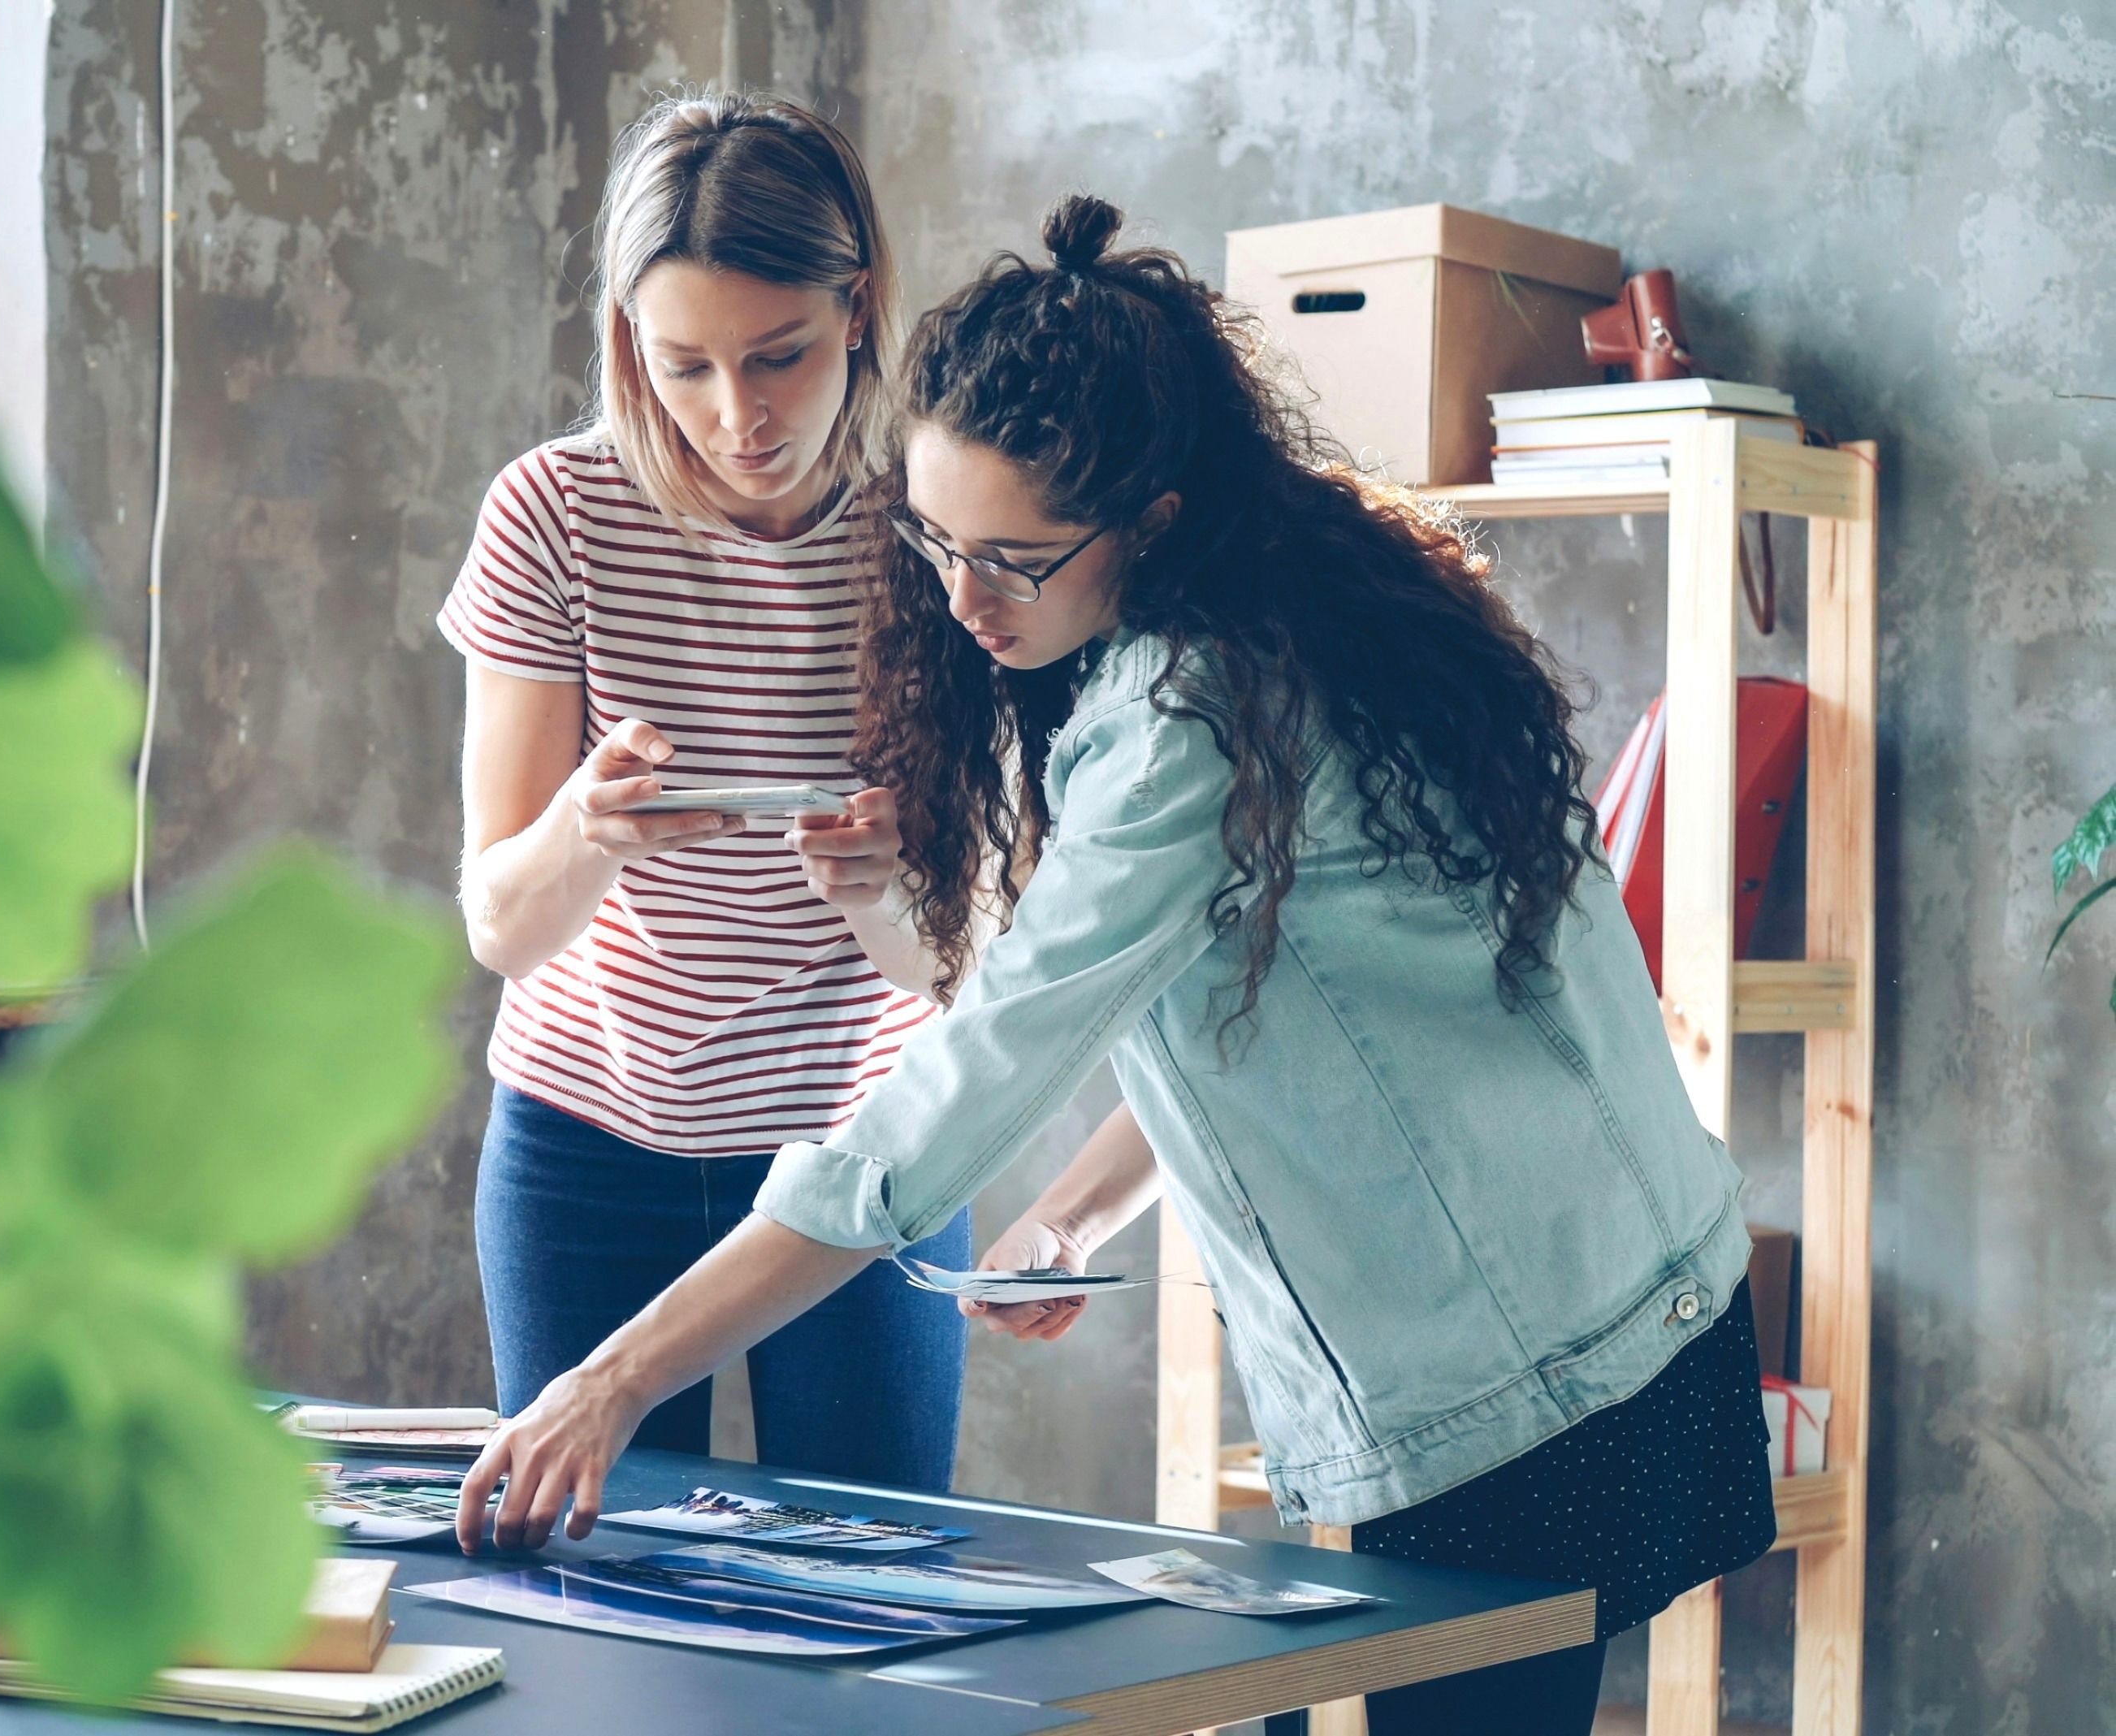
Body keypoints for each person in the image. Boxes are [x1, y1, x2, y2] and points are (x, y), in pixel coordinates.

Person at [455, 195, 1777, 1735]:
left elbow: (939, 1108)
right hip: (1582, 1317)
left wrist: (604, 1385)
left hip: (1535, 1381)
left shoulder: (1189, 722)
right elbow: (1266, 996)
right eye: (939, 544)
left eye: (1014, 560)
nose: (964, 602)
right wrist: (1073, 1216)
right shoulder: (1282, 590)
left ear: (1148, 523)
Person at [436, 91, 975, 1491]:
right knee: (592, 1608)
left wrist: (884, 892)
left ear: (857, 308)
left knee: (875, 1595)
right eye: (684, 367)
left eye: (780, 356)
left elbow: (968, 967)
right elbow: (500, 924)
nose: (738, 418)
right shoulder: (551, 511)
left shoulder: (934, 528)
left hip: (865, 1141)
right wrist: (582, 833)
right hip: (586, 1137)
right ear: (629, 342)